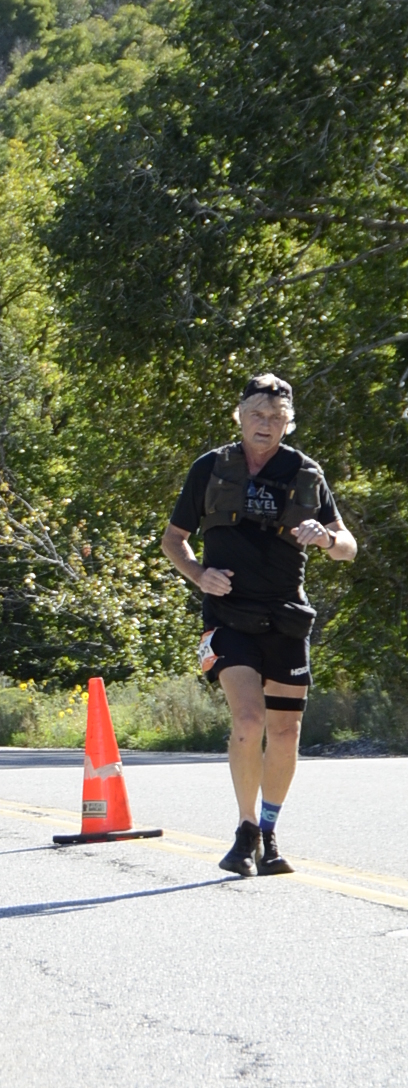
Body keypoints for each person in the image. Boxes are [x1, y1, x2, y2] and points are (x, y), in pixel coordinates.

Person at [161, 372, 355, 877]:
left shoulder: (305, 472)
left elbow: (347, 547)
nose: (264, 423)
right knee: (248, 720)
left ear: (288, 423)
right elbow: (173, 540)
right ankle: (245, 828)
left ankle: (268, 831)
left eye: (275, 416)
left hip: (286, 618)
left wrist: (326, 538)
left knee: (285, 732)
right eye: (256, 414)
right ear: (240, 416)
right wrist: (200, 575)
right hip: (229, 616)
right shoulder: (211, 467)